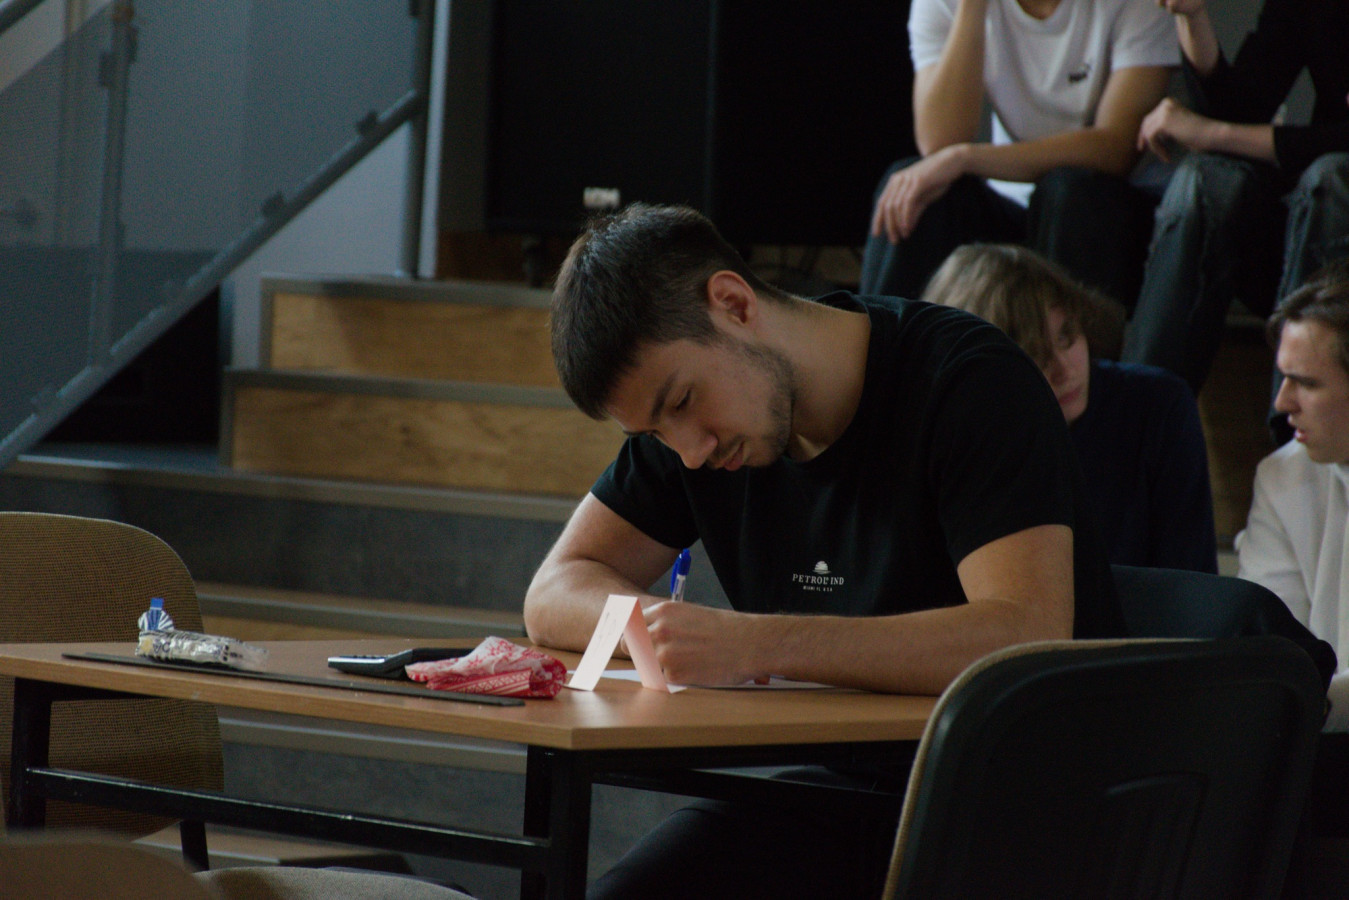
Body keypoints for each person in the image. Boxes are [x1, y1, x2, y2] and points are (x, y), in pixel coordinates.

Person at [525, 203, 1122, 898]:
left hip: (1024, 803)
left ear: (733, 304)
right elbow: (554, 590)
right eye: (655, 434)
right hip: (846, 795)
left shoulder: (970, 381)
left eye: (682, 402)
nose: (688, 451)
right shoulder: (698, 438)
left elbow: (1024, 634)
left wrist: (754, 645)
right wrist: (663, 630)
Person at [859, 0, 1177, 308]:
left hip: (1110, 207)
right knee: (914, 187)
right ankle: (876, 340)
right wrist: (971, 7)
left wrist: (965, 158)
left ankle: (1080, 346)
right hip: (1007, 202)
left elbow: (1116, 148)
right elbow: (940, 142)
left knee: (1072, 190)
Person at [923, 244, 1218, 573]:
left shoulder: (1157, 404)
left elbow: (1195, 581)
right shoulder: (958, 440)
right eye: (1036, 354)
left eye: (1067, 337)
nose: (1065, 370)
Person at [1124, 0, 1349, 397]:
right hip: (1312, 232)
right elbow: (1241, 107)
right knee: (1208, 181)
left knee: (1332, 179)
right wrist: (1192, 16)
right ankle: (1142, 414)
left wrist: (1211, 133)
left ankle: (1296, 422)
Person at [1236, 260, 1349, 730]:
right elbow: (1273, 652)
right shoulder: (1282, 476)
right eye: (1284, 378)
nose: (1282, 403)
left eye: (1306, 382)